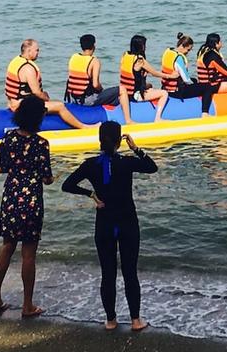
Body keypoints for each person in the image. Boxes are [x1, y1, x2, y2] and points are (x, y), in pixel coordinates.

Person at [62, 122, 157, 331]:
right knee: (130, 272)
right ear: (119, 141)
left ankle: (111, 321)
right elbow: (152, 167)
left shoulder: (90, 164)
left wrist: (91, 194)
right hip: (127, 222)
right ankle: (135, 321)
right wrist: (135, 148)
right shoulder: (127, 162)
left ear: (99, 140)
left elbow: (66, 185)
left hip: (104, 222)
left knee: (108, 273)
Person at [0, 96, 52, 318]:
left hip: (11, 198)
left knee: (7, 245)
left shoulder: (7, 140)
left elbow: (1, 168)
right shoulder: (41, 144)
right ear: (37, 117)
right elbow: (47, 178)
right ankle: (27, 305)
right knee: (28, 254)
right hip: (32, 200)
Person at [5, 39, 94, 129]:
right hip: (22, 107)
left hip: (12, 104)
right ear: (29, 51)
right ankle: (84, 127)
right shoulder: (28, 68)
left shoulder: (16, 61)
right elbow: (37, 93)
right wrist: (46, 97)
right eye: (36, 50)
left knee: (49, 101)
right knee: (60, 106)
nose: (38, 53)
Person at [118, 35, 172, 124]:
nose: (145, 47)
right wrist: (170, 76)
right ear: (140, 46)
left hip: (126, 92)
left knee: (149, 85)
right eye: (144, 45)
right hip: (135, 95)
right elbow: (154, 73)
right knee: (164, 93)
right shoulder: (140, 60)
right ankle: (158, 118)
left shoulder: (125, 55)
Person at [160, 34, 215, 118]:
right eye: (188, 50)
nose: (188, 52)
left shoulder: (168, 52)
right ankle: (205, 113)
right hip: (176, 92)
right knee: (207, 86)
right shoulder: (178, 58)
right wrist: (194, 84)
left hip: (166, 88)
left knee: (195, 81)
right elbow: (186, 80)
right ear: (182, 46)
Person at [64, 34, 120, 106]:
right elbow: (96, 85)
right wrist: (102, 91)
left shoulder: (73, 57)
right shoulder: (94, 61)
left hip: (73, 98)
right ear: (93, 46)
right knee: (120, 90)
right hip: (86, 100)